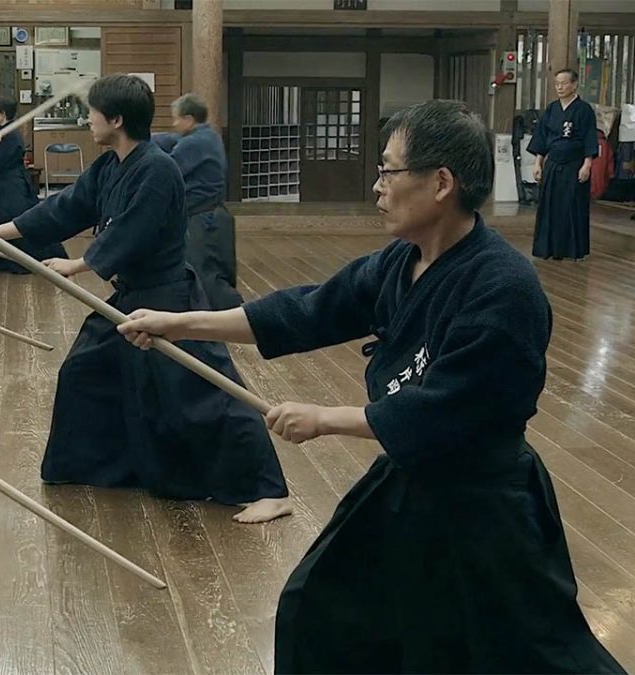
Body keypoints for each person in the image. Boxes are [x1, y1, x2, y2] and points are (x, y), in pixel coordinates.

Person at [117, 100, 624, 672]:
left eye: (388, 170)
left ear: (440, 183)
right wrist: (176, 322)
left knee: (526, 655)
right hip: (411, 482)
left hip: (485, 505)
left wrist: (325, 418)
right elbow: (307, 310)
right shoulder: (400, 263)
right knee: (316, 608)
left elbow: (444, 409)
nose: (378, 185)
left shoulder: (503, 288)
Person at [0, 74, 291, 524]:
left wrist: (79, 265)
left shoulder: (157, 169)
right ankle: (101, 468)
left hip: (169, 298)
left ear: (114, 119)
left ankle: (269, 489)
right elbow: (64, 208)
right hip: (130, 296)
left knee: (202, 393)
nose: (87, 120)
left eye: (93, 113)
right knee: (84, 371)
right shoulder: (110, 165)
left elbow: (133, 231)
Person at [152, 93, 242, 309]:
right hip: (213, 216)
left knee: (203, 274)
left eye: (176, 119)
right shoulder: (208, 136)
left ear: (189, 119)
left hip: (202, 218)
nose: (174, 124)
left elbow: (167, 171)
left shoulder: (193, 144)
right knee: (212, 269)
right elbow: (169, 139)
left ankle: (232, 319)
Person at [0, 94, 66, 273]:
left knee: (20, 222)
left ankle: (32, 261)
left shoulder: (10, 134)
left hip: (12, 187)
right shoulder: (3, 131)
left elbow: (0, 159)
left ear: (2, 112)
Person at [528, 68, 598, 261]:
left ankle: (574, 250)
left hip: (574, 165)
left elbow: (590, 138)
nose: (559, 87)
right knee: (548, 206)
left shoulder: (584, 110)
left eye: (564, 83)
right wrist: (537, 164)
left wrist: (587, 164)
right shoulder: (551, 109)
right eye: (557, 83)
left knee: (573, 206)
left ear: (574, 84)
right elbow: (541, 138)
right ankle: (548, 249)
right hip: (553, 163)